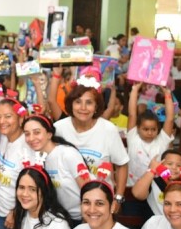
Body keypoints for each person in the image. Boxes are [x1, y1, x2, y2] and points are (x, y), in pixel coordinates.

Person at [54, 80, 130, 211]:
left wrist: (118, 197)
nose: (83, 108)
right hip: (63, 208)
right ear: (71, 104)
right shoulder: (58, 128)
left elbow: (122, 164)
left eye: (89, 102)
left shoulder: (108, 129)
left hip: (99, 206)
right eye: (78, 102)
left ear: (96, 106)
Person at [24, 114, 89, 223]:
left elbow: (88, 188)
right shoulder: (37, 158)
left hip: (80, 218)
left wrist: (86, 219)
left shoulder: (67, 154)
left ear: (49, 134)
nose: (31, 138)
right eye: (27, 134)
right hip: (58, 218)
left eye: (37, 132)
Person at [0, 99, 31, 229]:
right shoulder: (3, 137)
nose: (2, 121)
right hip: (0, 210)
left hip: (17, 215)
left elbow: (32, 186)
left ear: (20, 118)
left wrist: (16, 212)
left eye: (8, 116)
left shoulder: (27, 147)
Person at [126, 82, 175, 186]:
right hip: (133, 186)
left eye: (153, 129)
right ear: (138, 128)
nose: (150, 132)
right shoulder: (133, 137)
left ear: (158, 129)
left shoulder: (162, 140)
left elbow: (170, 119)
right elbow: (132, 114)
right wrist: (135, 90)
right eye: (145, 129)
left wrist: (167, 94)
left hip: (157, 186)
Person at [131, 149, 181, 216]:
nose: (174, 167)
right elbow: (137, 194)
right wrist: (152, 170)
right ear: (161, 165)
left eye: (179, 165)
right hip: (154, 221)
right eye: (169, 164)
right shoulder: (153, 181)